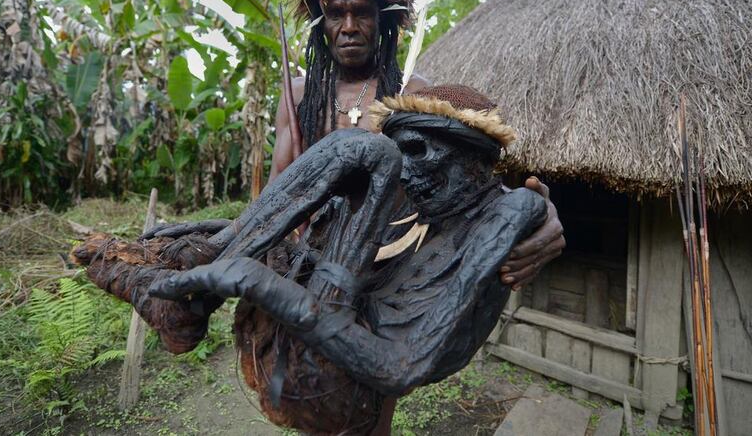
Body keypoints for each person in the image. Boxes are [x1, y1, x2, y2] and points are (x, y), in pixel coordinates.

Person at [147, 84, 547, 435]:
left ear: (475, 157)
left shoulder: (501, 213)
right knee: (362, 149)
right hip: (332, 333)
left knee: (365, 149)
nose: (404, 175)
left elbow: (401, 366)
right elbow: (308, 244)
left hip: (355, 362)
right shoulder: (418, 205)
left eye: (417, 151)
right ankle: (205, 271)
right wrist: (228, 236)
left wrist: (260, 282)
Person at [267, 0, 564, 290]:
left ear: (383, 21)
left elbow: (463, 179)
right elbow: (275, 194)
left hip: (393, 272)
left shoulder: (412, 93)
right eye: (336, 14)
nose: (348, 26)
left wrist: (535, 212)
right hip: (309, 267)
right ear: (322, 24)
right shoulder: (299, 97)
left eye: (362, 12)